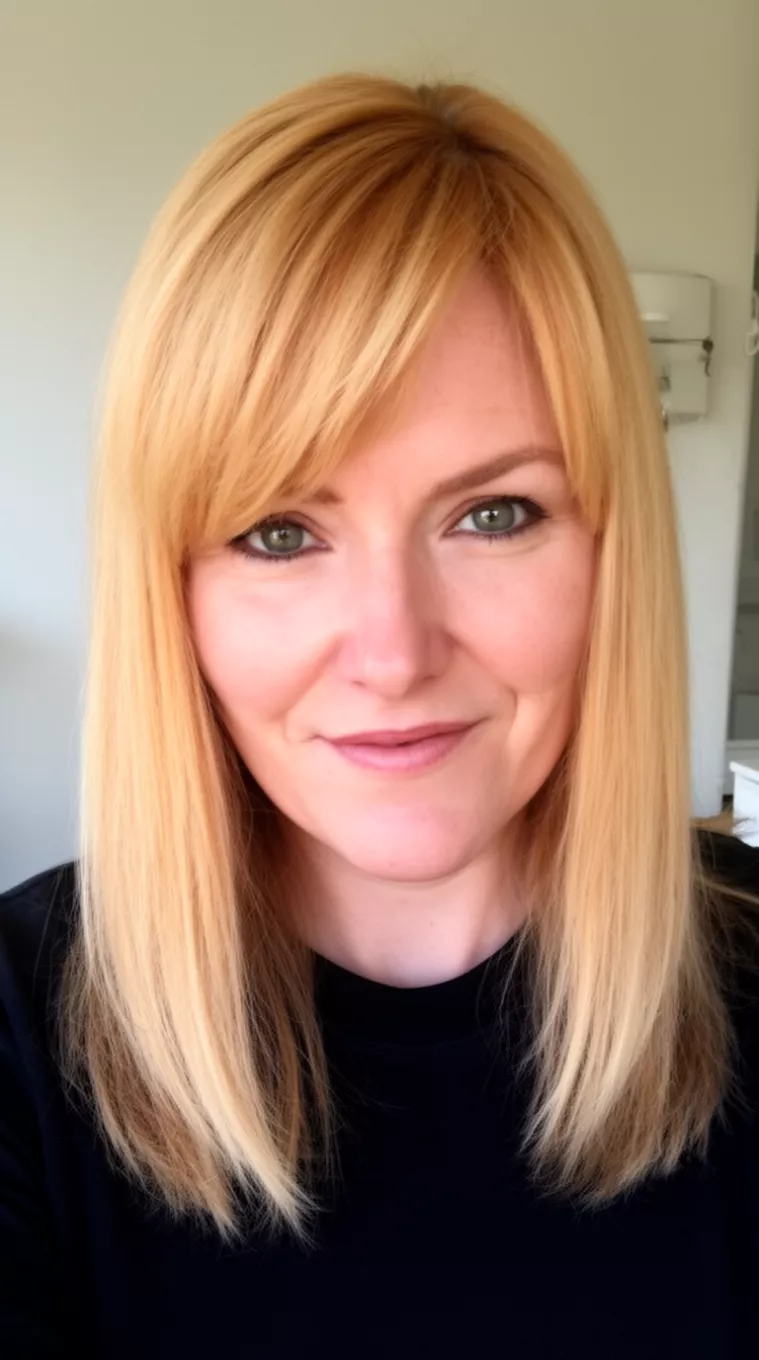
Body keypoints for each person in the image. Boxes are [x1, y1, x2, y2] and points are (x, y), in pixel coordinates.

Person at [1, 70, 758, 1359]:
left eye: (494, 515)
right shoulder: (22, 1039)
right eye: (278, 532)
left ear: (608, 551)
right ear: (174, 591)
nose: (395, 653)